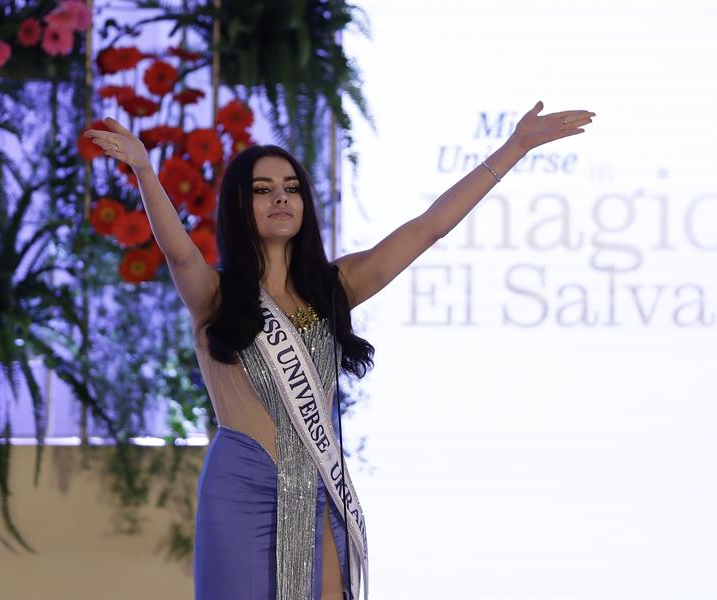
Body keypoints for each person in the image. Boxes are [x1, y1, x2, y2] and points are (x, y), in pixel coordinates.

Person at [85, 100, 595, 600]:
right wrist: (145, 173)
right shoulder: (214, 296)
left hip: (317, 481)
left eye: (291, 189)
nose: (280, 199)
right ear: (240, 208)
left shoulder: (337, 285)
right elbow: (178, 251)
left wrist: (515, 147)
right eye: (262, 190)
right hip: (240, 482)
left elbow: (429, 226)